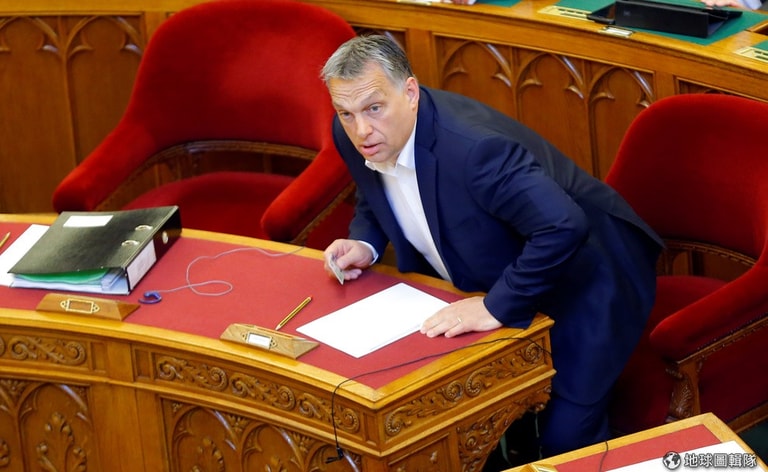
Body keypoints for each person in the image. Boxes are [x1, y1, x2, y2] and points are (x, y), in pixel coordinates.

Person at [320, 34, 663, 459]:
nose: (361, 130)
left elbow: (562, 227)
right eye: (347, 113)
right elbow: (375, 189)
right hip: (497, 271)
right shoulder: (354, 133)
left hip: (589, 279)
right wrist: (365, 241)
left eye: (374, 108)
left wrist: (495, 306)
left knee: (562, 440)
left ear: (409, 93)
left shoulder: (475, 150)